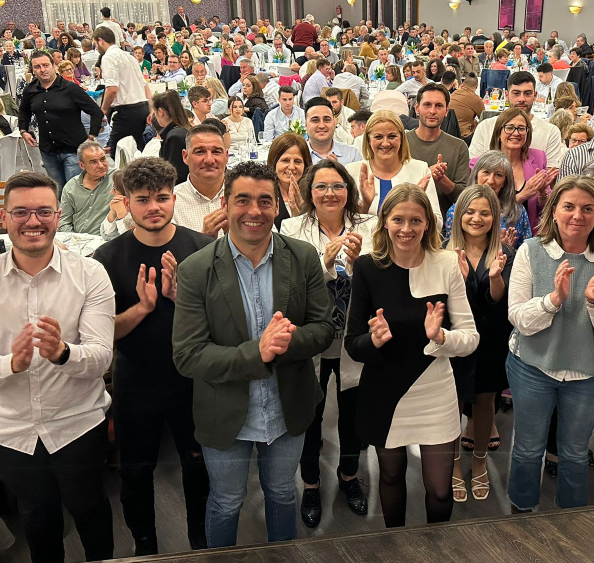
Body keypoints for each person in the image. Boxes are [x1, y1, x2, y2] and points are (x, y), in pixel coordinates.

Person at [172, 161, 334, 546]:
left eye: (265, 201)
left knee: (283, 493)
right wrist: (257, 353)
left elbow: (324, 329)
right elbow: (188, 355)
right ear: (225, 205)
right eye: (242, 200)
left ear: (277, 206)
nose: (254, 211)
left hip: (287, 406)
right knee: (226, 501)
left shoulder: (304, 257)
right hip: (225, 411)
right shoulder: (195, 270)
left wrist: (285, 343)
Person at [0, 171, 116, 563]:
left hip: (77, 422)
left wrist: (62, 353)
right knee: (37, 519)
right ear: (4, 218)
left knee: (91, 509)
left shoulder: (90, 274)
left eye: (44, 211)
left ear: (58, 216)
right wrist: (11, 363)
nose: (33, 221)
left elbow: (101, 357)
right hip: (12, 431)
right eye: (21, 212)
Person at [92, 158, 212, 555]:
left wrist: (179, 298)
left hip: (193, 380)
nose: (154, 207)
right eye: (142, 200)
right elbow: (102, 333)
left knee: (198, 464)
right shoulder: (107, 259)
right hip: (136, 381)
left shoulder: (204, 249)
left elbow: (220, 324)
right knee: (135, 471)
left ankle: (200, 535)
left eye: (161, 197)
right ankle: (144, 543)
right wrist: (142, 308)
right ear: (126, 203)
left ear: (174, 198)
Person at [344, 183, 478, 526]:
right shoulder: (367, 268)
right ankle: (397, 545)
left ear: (428, 224)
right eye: (398, 220)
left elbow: (470, 338)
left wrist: (441, 336)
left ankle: (435, 547)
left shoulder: (446, 263)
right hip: (384, 391)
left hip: (435, 391)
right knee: (390, 478)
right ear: (385, 222)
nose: (407, 229)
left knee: (440, 491)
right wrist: (375, 340)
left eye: (415, 220)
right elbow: (353, 344)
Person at [507, 175, 594, 511]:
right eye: (569, 206)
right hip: (531, 367)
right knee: (528, 449)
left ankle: (572, 520)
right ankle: (521, 509)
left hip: (588, 374)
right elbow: (518, 318)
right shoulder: (530, 251)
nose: (578, 215)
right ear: (554, 211)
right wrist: (553, 300)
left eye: (588, 208)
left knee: (575, 453)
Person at [280, 159, 376, 528]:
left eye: (337, 186)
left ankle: (349, 477)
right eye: (320, 186)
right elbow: (289, 286)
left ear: (348, 191)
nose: (329, 193)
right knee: (311, 415)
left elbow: (380, 280)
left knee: (353, 415)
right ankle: (311, 484)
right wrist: (324, 263)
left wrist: (357, 265)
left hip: (354, 339)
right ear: (309, 192)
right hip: (313, 339)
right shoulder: (291, 228)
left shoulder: (370, 225)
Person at [444, 184, 513, 502]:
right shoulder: (444, 251)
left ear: (494, 217)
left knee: (486, 401)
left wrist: (495, 277)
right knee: (452, 404)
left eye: (485, 212)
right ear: (459, 215)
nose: (476, 218)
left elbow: (500, 300)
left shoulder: (506, 253)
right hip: (455, 340)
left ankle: (481, 461)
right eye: (470, 211)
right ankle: (455, 463)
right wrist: (457, 282)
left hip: (490, 339)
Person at [18, 50, 104, 188]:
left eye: (45, 65)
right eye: (37, 67)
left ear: (54, 66)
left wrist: (92, 136)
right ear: (33, 70)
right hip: (48, 151)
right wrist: (23, 130)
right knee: (57, 190)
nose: (42, 70)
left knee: (73, 190)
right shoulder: (30, 90)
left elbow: (96, 111)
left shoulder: (70, 88)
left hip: (73, 150)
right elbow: (24, 111)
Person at [346, 110, 442, 223]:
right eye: (378, 137)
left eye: (392, 136)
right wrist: (365, 205)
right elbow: (344, 221)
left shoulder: (421, 169)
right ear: (368, 140)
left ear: (401, 138)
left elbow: (438, 223)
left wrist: (418, 204)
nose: (385, 143)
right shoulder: (351, 171)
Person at [468, 71, 565, 167]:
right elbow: (473, 167)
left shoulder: (550, 132)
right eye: (516, 93)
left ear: (535, 95)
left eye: (527, 93)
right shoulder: (485, 127)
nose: (522, 99)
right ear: (507, 95)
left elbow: (550, 172)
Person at [407, 84, 470, 216]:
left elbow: (464, 198)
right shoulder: (401, 143)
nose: (432, 111)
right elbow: (392, 188)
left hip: (445, 223)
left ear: (446, 111)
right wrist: (427, 176)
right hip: (406, 218)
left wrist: (442, 179)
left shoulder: (459, 147)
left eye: (439, 106)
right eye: (427, 105)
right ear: (417, 108)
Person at [172, 124, 228, 238]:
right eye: (200, 152)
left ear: (226, 156)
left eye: (216, 151)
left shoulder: (245, 197)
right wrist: (203, 240)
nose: (209, 160)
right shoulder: (171, 203)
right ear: (185, 157)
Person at [59, 140, 116, 235]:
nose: (101, 165)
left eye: (103, 159)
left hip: (109, 238)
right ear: (82, 165)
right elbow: (64, 221)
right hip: (78, 239)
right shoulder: (71, 187)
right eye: (93, 162)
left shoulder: (117, 178)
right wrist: (74, 239)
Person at [305, 96, 361, 164]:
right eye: (315, 120)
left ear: (334, 123)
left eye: (327, 120)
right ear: (306, 125)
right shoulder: (296, 155)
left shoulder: (352, 155)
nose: (322, 126)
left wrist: (339, 169)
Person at [152, 90, 191, 185]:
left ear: (160, 112)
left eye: (155, 112)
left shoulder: (174, 137)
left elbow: (175, 174)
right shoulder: (184, 130)